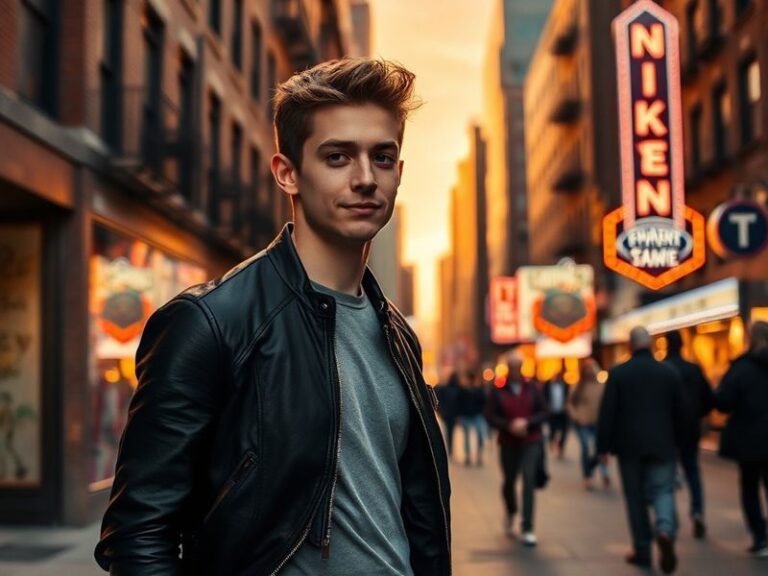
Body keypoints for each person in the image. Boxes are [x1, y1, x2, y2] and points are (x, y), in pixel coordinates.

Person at [94, 58, 451, 576]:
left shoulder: (397, 334)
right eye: (337, 157)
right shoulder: (212, 323)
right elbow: (138, 535)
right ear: (288, 174)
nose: (365, 178)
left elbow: (412, 512)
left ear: (399, 172)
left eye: (382, 157)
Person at [597, 327, 685, 574]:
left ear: (629, 345)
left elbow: (608, 412)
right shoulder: (668, 373)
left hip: (629, 447)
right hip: (663, 443)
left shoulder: (619, 374)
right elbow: (681, 412)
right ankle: (665, 529)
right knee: (663, 490)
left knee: (635, 498)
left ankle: (643, 550)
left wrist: (603, 447)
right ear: (652, 344)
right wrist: (680, 443)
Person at [714, 320, 768, 558]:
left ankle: (760, 537)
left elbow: (724, 402)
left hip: (750, 440)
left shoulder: (741, 368)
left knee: (750, 487)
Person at [485, 351, 548, 546]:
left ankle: (527, 527)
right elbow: (490, 415)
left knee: (528, 480)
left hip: (531, 441)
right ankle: (511, 510)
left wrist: (527, 422)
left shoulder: (532, 388)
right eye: (512, 366)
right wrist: (508, 425)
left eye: (518, 365)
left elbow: (544, 411)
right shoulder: (498, 390)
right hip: (508, 442)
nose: (515, 369)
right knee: (509, 482)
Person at [663, 330, 713, 539]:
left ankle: (669, 518)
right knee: (692, 470)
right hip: (690, 427)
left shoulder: (663, 369)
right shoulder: (693, 369)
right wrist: (697, 414)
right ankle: (697, 511)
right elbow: (708, 398)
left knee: (666, 474)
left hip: (668, 429)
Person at [567, 358, 610, 491]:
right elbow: (569, 403)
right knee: (586, 447)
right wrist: (576, 416)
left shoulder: (602, 386)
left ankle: (603, 471)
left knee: (600, 449)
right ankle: (588, 475)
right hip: (583, 422)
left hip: (598, 422)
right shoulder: (579, 386)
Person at [459, 369, 487, 466]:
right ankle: (469, 456)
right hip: (468, 415)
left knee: (479, 435)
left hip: (476, 415)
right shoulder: (464, 390)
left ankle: (478, 456)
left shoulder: (478, 389)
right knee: (468, 437)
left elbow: (484, 401)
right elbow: (460, 402)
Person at [543, 369, 570, 458]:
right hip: (552, 413)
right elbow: (544, 397)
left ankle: (560, 447)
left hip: (563, 413)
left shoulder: (566, 385)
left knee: (564, 432)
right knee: (552, 430)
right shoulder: (547, 385)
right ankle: (552, 442)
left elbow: (569, 397)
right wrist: (547, 407)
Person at [436, 371, 462, 459]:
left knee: (449, 431)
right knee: (450, 431)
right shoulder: (458, 389)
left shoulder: (445, 388)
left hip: (446, 414)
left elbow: (439, 398)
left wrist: (440, 410)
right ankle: (450, 449)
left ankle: (450, 449)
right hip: (452, 414)